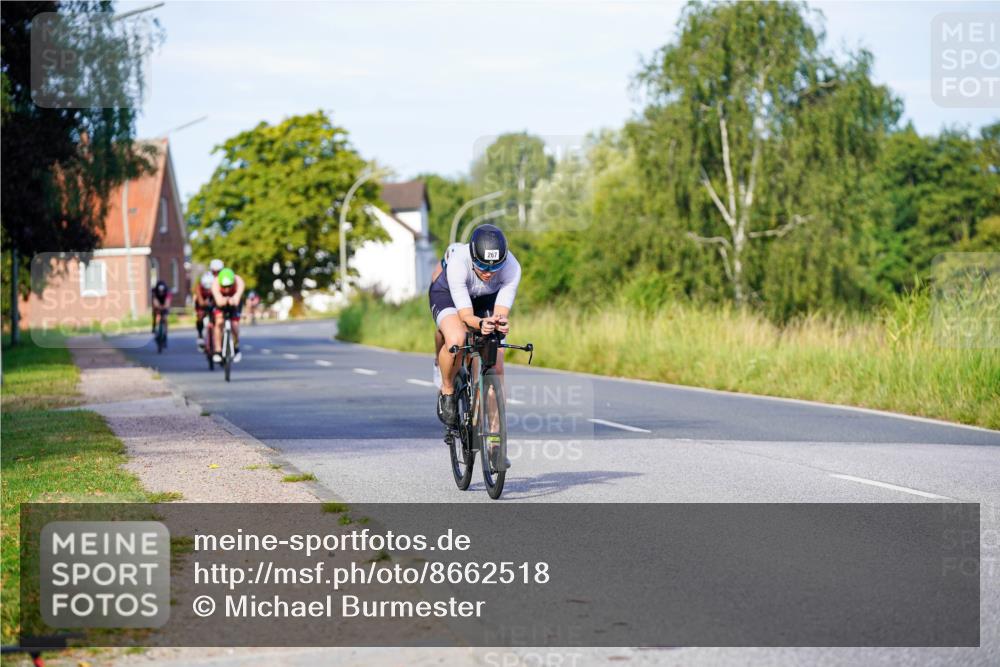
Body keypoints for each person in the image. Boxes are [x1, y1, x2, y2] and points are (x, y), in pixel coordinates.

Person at [428, 224, 521, 429]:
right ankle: (447, 389)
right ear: (472, 257)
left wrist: (499, 322)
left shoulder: (512, 267)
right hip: (448, 296)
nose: (488, 273)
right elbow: (466, 317)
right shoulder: (457, 261)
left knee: (496, 365)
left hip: (486, 299)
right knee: (457, 339)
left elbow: (500, 312)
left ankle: (495, 437)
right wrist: (480, 323)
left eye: (495, 267)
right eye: (482, 266)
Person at [211, 267, 246, 363]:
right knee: (219, 322)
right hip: (220, 301)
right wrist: (223, 300)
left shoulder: (239, 281)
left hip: (234, 302)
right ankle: (218, 350)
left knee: (235, 325)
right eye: (224, 286)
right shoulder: (215, 282)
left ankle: (236, 347)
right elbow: (218, 300)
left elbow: (237, 298)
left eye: (229, 286)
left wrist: (232, 300)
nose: (226, 289)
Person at [193, 272, 216, 351]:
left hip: (212, 302)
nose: (208, 290)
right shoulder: (199, 287)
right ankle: (200, 335)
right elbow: (201, 302)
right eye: (206, 288)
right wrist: (204, 303)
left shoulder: (216, 286)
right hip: (201, 303)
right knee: (200, 316)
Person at [151, 279, 172, 344]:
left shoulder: (167, 292)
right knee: (156, 315)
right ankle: (155, 328)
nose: (161, 293)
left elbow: (167, 302)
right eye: (160, 291)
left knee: (165, 318)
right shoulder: (154, 291)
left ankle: (165, 333)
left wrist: (165, 306)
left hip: (164, 303)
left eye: (162, 291)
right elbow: (155, 301)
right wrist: (158, 307)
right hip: (158, 303)